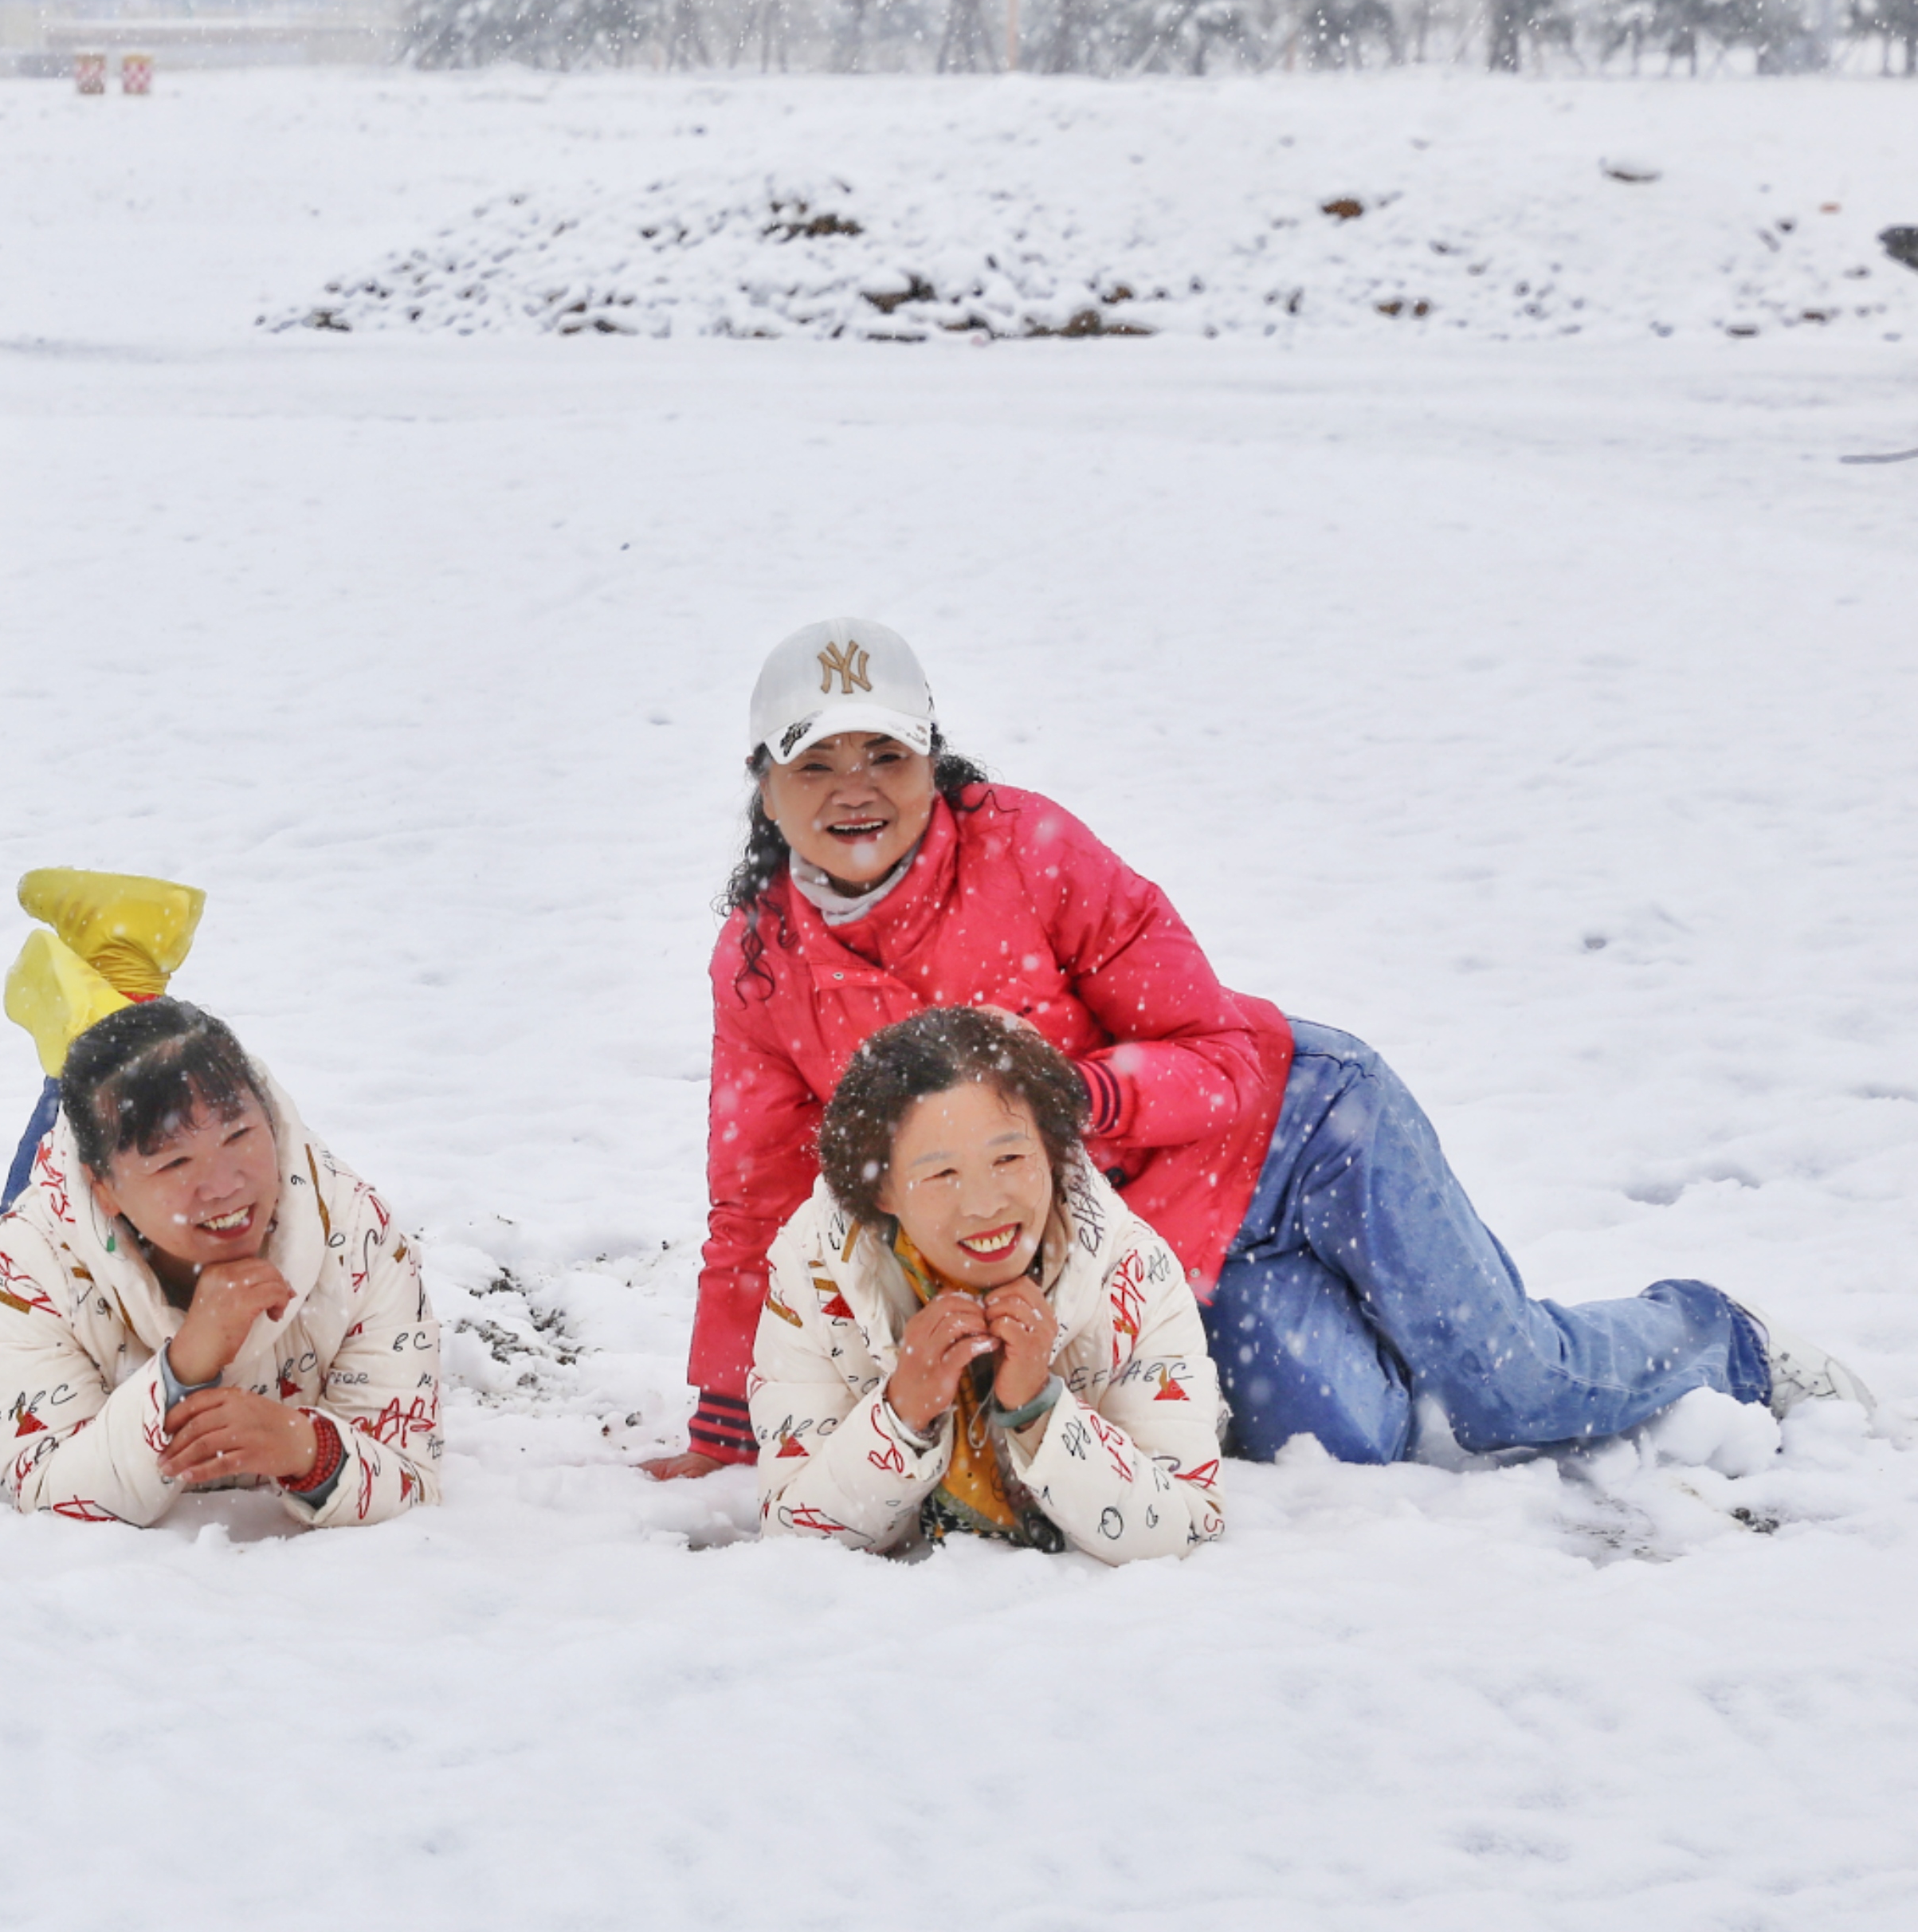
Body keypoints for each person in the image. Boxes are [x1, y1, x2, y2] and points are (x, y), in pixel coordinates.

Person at [666, 614, 1869, 1481]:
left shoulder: (1027, 849)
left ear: (935, 763)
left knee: (1511, 1389)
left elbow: (1218, 1048)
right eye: (815, 761)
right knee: (1344, 1450)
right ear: (765, 791)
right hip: (1169, 1238)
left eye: (886, 754)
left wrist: (1078, 1100)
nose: (856, 789)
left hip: (1304, 1128)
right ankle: (1401, 1323)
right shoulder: (761, 964)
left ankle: (1718, 1334)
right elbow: (756, 1194)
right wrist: (729, 1417)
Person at [0, 885, 440, 1528]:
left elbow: (410, 1470)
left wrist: (306, 1449)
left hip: (118, 1190)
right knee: (96, 1112)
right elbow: (51, 1486)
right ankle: (99, 1005)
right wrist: (187, 1362)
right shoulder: (24, 1270)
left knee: (148, 1087)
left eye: (240, 1135)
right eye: (175, 1163)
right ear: (103, 1191)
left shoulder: (355, 1231)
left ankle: (121, 972)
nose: (224, 1185)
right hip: (29, 1264)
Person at [753, 1005, 1226, 1558]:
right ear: (882, 1189)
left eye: (1009, 1158)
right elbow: (795, 1541)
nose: (984, 1205)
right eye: (941, 1173)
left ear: (1053, 1152)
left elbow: (1186, 1528)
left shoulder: (1132, 1271)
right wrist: (902, 1413)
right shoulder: (816, 1273)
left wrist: (1037, 1408)